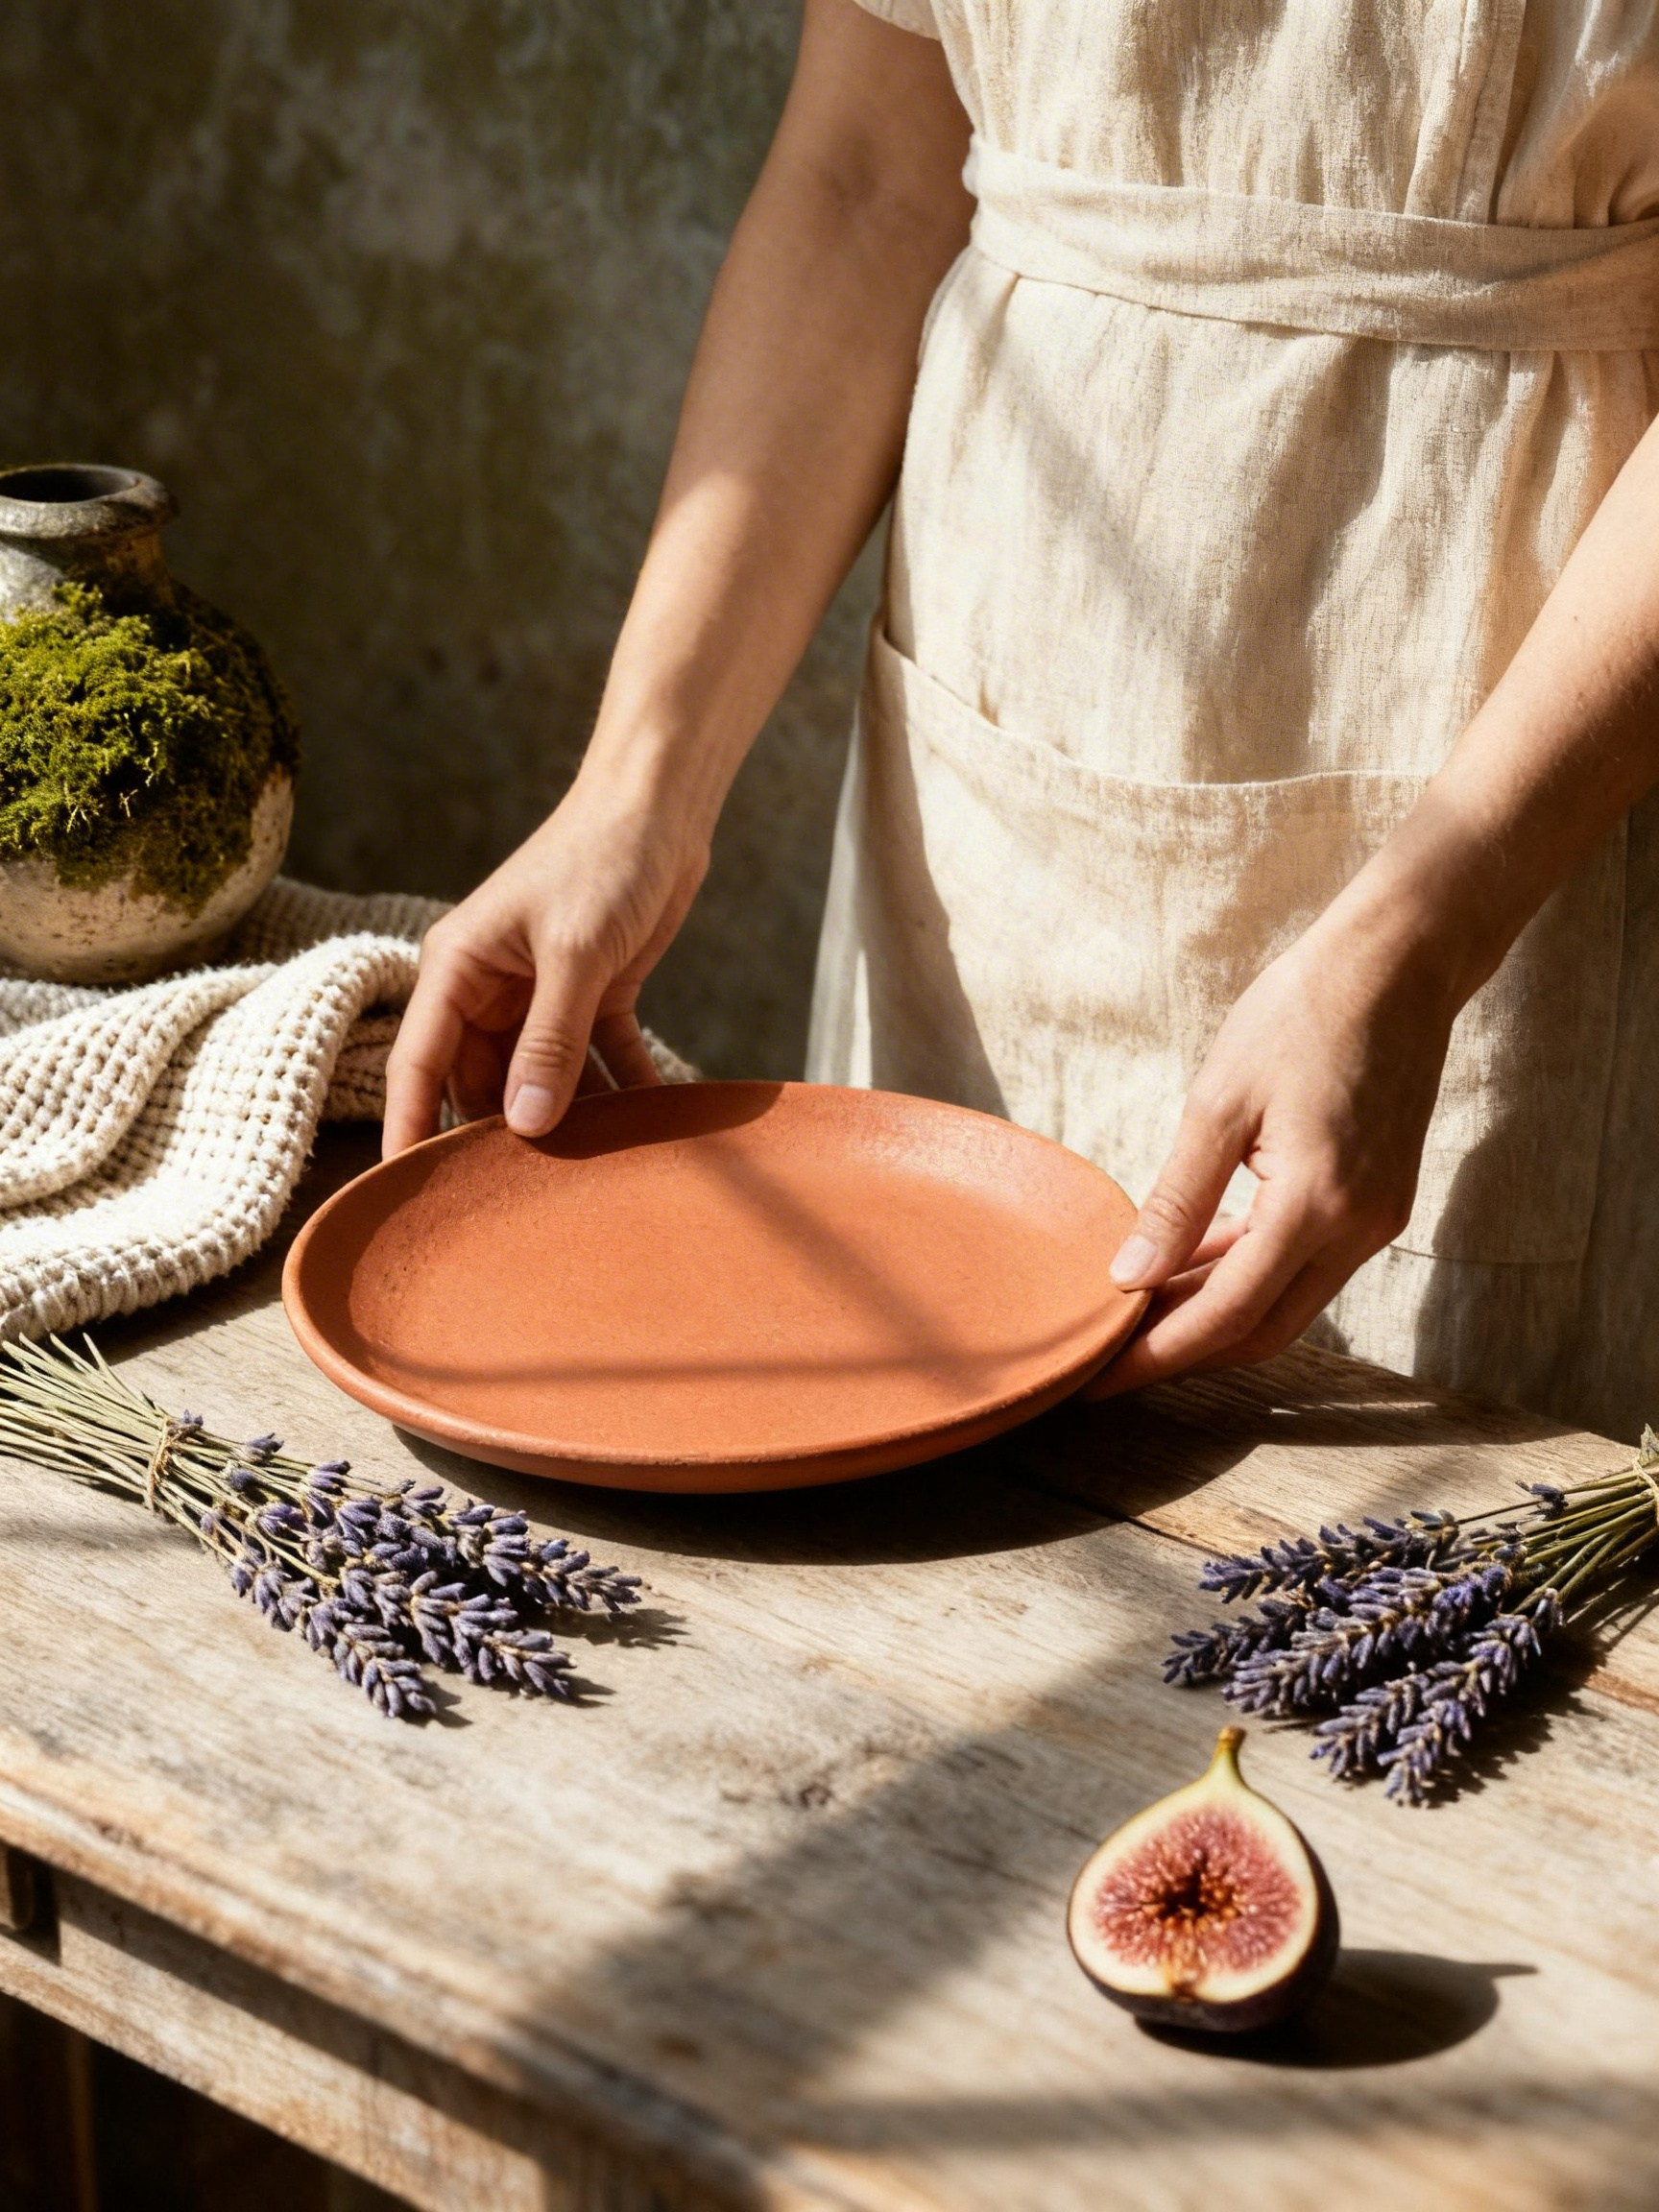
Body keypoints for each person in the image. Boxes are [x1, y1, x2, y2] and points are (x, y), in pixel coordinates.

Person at [383, 0, 1659, 1440]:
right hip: (1005, 703)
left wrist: (1422, 942)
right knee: (902, 1492)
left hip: (1517, 737)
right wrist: (638, 784)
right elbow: (868, 173)